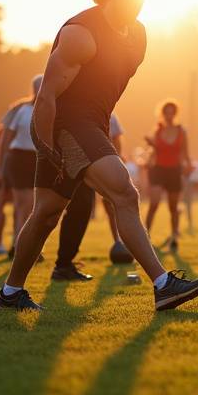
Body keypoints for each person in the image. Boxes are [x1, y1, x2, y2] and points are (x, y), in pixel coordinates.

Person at [0, 0, 198, 311]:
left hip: (93, 125)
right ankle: (162, 284)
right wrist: (47, 147)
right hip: (66, 126)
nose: (135, 2)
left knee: (47, 214)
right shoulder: (81, 34)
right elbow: (47, 96)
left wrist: (100, 135)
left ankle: (9, 294)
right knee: (124, 192)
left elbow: (105, 92)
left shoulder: (138, 36)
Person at [48, 112, 126, 281]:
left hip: (91, 166)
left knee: (81, 210)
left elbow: (116, 141)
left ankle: (64, 264)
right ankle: (62, 265)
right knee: (56, 213)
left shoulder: (108, 115)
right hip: (76, 163)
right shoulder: (78, 110)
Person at [0, 75, 42, 258]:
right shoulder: (22, 110)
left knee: (33, 206)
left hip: (39, 159)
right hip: (20, 159)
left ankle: (26, 245)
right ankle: (19, 245)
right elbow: (5, 140)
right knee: (23, 203)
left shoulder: (54, 108)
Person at [144, 100, 190, 252]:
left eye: (172, 112)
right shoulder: (158, 130)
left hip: (174, 170)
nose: (169, 115)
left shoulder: (181, 131)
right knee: (154, 203)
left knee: (173, 207)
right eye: (166, 112)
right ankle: (145, 237)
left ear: (175, 114)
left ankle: (174, 237)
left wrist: (188, 166)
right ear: (163, 114)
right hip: (158, 169)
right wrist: (150, 149)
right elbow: (153, 152)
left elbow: (185, 152)